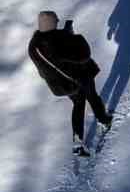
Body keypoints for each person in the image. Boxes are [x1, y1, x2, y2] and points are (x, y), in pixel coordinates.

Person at [29, 10, 113, 156]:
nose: (57, 22)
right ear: (50, 24)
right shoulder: (59, 41)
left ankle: (78, 142)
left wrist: (64, 35)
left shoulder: (34, 45)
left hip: (61, 85)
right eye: (55, 20)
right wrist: (74, 37)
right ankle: (104, 119)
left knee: (78, 104)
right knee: (92, 96)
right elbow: (84, 54)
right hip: (79, 77)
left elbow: (46, 65)